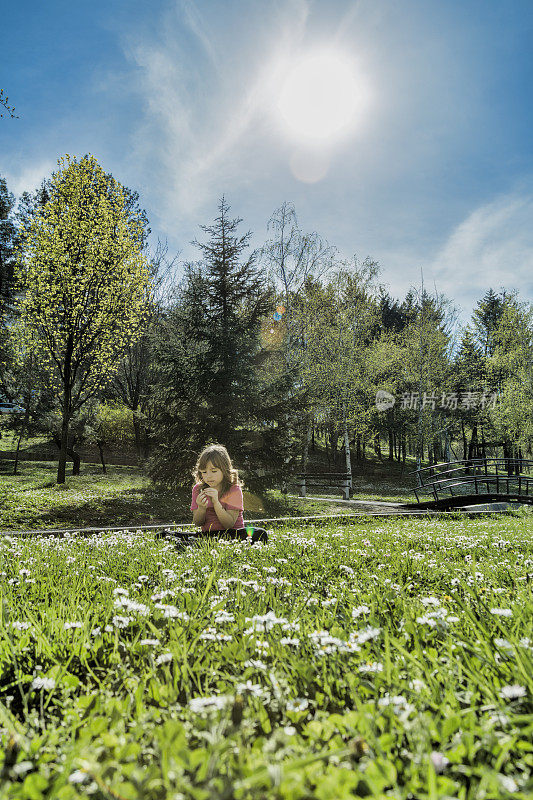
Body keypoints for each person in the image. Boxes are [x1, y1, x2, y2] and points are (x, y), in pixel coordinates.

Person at [190, 444, 268, 544]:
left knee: (260, 533)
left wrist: (216, 502)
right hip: (209, 535)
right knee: (168, 535)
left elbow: (229, 524)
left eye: (214, 471)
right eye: (204, 472)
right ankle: (200, 542)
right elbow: (198, 523)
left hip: (233, 534)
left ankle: (199, 543)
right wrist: (201, 508)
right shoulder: (198, 489)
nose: (208, 476)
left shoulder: (233, 489)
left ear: (224, 470)